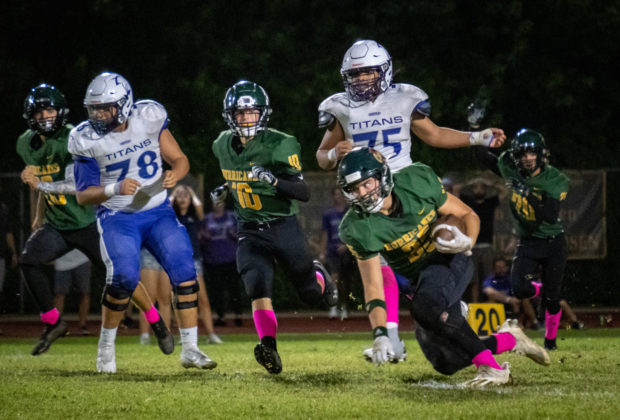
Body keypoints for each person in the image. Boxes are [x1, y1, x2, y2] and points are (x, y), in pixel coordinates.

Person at [315, 39, 507, 361]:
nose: (361, 80)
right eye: (355, 75)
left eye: (368, 73)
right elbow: (321, 156)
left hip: (406, 187)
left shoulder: (404, 99)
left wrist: (476, 137)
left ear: (385, 71)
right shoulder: (340, 108)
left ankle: (440, 305)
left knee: (424, 256)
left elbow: (433, 134)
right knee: (377, 265)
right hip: (365, 190)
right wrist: (334, 153)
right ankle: (390, 336)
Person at [337, 148, 549, 387]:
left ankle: (492, 369)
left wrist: (468, 240)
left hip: (449, 257)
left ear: (382, 175)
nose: (362, 193)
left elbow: (468, 213)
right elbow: (373, 285)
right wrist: (380, 333)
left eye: (366, 184)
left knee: (425, 307)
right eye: (354, 189)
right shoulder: (355, 227)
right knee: (446, 361)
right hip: (421, 282)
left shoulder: (415, 181)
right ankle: (509, 340)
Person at [68, 72, 215, 373]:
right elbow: (83, 196)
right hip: (118, 216)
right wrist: (113, 189)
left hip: (158, 211)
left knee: (186, 273)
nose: (98, 114)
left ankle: (190, 349)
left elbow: (181, 159)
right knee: (123, 277)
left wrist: (176, 172)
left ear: (123, 104)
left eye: (105, 107)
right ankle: (106, 350)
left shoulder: (148, 117)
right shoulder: (86, 138)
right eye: (94, 108)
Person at [17, 83, 171, 356]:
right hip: (58, 224)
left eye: (49, 110)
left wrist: (38, 183)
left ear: (61, 110)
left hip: (90, 221)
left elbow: (73, 185)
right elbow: (45, 180)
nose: (45, 117)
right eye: (39, 113)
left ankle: (156, 321)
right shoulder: (25, 143)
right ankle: (53, 323)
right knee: (28, 261)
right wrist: (39, 215)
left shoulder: (76, 137)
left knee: (124, 275)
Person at [211, 80, 337, 374]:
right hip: (249, 229)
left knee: (309, 294)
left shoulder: (281, 144)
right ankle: (268, 346)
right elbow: (238, 177)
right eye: (239, 114)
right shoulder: (221, 144)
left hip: (282, 226)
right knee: (256, 284)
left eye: (251, 112)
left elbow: (303, 192)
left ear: (263, 113)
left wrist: (273, 180)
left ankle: (318, 274)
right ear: (230, 116)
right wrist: (225, 189)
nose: (245, 119)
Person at [473, 128, 570, 350]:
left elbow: (549, 214)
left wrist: (525, 191)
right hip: (528, 241)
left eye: (532, 153)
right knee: (519, 288)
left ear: (540, 154)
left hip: (553, 242)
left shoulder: (555, 179)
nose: (527, 158)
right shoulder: (511, 167)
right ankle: (537, 288)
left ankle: (550, 340)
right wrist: (475, 128)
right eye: (523, 154)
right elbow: (482, 155)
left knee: (552, 298)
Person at [171, 184, 222, 344]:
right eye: (180, 196)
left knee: (202, 298)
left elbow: (199, 209)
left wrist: (191, 191)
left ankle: (211, 334)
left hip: (193, 261)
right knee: (179, 299)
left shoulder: (194, 217)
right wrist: (174, 193)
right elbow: (166, 206)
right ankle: (183, 334)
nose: (183, 198)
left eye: (185, 196)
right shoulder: (172, 216)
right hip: (175, 261)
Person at [200, 195, 243, 327]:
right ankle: (221, 316)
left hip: (231, 259)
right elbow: (200, 237)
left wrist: (234, 235)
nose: (218, 205)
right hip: (213, 260)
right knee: (216, 290)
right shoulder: (207, 219)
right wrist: (204, 237)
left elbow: (242, 235)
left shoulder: (232, 217)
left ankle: (238, 315)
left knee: (234, 289)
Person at [459, 178, 502, 302]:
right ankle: (474, 307)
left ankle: (490, 305)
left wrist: (487, 183)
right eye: (476, 188)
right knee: (474, 280)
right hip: (472, 245)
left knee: (489, 278)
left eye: (481, 188)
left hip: (487, 246)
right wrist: (472, 182)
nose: (478, 190)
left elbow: (503, 191)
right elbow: (458, 190)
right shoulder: (468, 203)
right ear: (472, 190)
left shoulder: (490, 202)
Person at [319, 186, 355, 320]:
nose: (338, 197)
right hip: (332, 251)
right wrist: (322, 251)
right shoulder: (328, 214)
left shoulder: (350, 213)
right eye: (336, 195)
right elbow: (325, 233)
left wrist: (346, 245)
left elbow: (354, 232)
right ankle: (333, 306)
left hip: (347, 252)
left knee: (345, 281)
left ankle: (344, 306)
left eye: (340, 195)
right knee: (334, 278)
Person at [482, 257, 539, 329]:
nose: (501, 270)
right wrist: (508, 299)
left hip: (515, 303)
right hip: (499, 303)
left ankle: (535, 323)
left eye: (503, 267)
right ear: (494, 269)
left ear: (506, 267)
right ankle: (495, 326)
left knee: (523, 298)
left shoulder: (510, 278)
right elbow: (487, 290)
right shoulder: (490, 279)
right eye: (498, 267)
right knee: (491, 298)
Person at [53, 249, 93, 335]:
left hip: (83, 260)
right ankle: (57, 326)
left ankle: (83, 325)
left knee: (84, 293)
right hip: (62, 262)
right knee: (60, 294)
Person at [137, 249, 173, 345]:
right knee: (148, 298)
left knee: (165, 299)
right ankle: (145, 335)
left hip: (168, 252)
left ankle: (165, 336)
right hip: (149, 251)